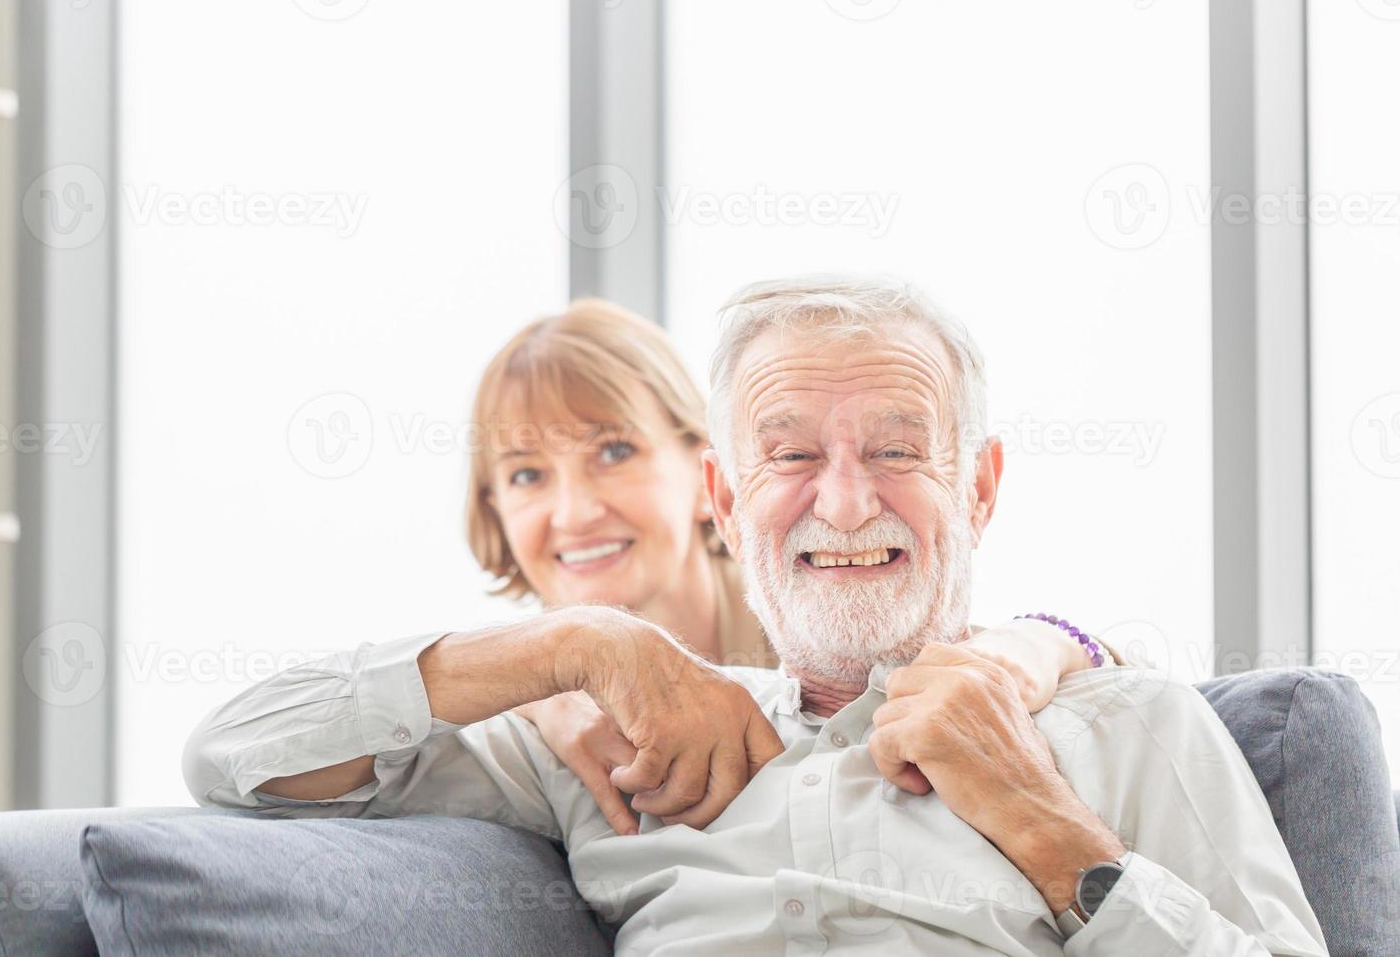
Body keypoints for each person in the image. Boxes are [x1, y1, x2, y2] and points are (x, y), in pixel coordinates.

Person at [179, 276, 1325, 952]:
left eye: (895, 450)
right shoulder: (602, 739)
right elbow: (237, 754)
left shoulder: (1127, 727)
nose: (843, 498)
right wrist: (576, 642)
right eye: (789, 456)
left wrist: (1054, 834)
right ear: (725, 497)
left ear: (978, 487)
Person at [461, 296, 1122, 833]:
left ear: (707, 480)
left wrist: (1045, 639)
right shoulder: (538, 711)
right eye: (525, 474)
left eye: (612, 453)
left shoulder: (824, 618)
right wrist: (535, 686)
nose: (573, 512)